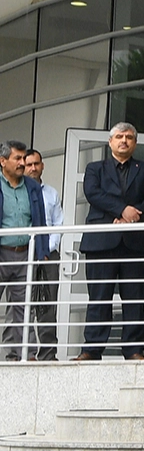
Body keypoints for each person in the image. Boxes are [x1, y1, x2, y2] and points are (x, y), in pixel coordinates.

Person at [78, 122, 144, 360]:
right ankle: (92, 349)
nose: (124, 140)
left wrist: (131, 216)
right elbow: (93, 193)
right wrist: (122, 210)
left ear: (135, 143)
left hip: (133, 242)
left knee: (134, 298)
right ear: (110, 142)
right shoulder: (95, 168)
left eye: (129, 137)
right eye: (119, 136)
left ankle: (134, 350)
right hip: (101, 242)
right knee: (99, 297)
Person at [0, 141, 49, 361]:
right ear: (3, 161)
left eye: (23, 158)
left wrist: (42, 251)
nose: (22, 163)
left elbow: (40, 220)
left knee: (24, 306)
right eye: (17, 158)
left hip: (25, 254)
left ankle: (23, 355)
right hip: (2, 252)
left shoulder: (32, 186)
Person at [21, 149, 63, 360]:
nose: (33, 168)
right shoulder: (17, 193)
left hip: (48, 255)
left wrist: (45, 250)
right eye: (28, 165)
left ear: (42, 165)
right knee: (21, 304)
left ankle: (48, 354)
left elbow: (58, 224)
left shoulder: (51, 193)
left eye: (36, 164)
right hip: (21, 255)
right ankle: (25, 352)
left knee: (47, 305)